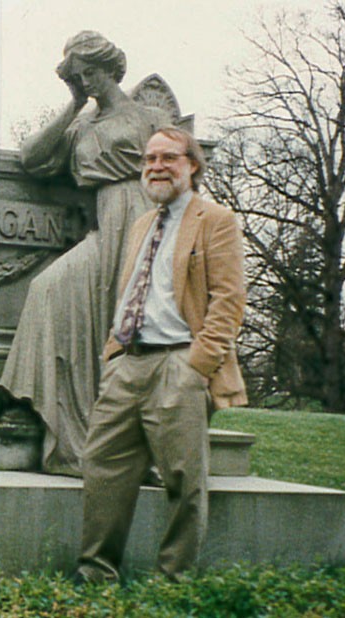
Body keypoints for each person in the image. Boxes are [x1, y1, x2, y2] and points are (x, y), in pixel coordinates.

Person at [76, 127, 247, 583]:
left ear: (192, 165)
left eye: (168, 157)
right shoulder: (141, 224)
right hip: (128, 361)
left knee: (182, 480)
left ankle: (173, 582)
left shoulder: (216, 220)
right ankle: (96, 573)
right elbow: (133, 289)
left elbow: (229, 302)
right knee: (102, 469)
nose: (156, 166)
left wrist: (198, 366)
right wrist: (113, 354)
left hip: (179, 362)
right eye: (149, 159)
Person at [0, 31, 172, 475]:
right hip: (103, 223)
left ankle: (145, 449)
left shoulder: (148, 116)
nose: (88, 81)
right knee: (47, 290)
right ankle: (65, 426)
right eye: (79, 76)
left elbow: (178, 170)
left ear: (110, 67)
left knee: (137, 331)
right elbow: (31, 159)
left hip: (142, 219)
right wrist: (73, 103)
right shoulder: (81, 125)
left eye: (91, 72)